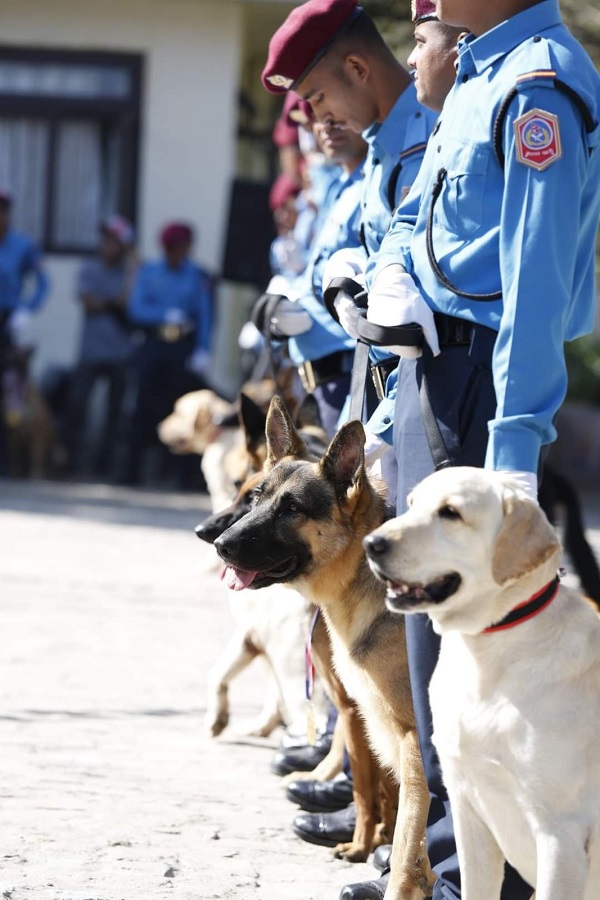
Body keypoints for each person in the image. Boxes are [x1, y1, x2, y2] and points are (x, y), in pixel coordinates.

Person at [352, 1, 600, 899]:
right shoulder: (479, 69)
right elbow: (425, 236)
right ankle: (453, 863)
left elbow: (534, 281)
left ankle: (471, 875)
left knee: (485, 634)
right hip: (435, 364)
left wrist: (517, 441)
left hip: (486, 380)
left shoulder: (535, 80)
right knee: (438, 646)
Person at [259, 0, 438, 874]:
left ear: (360, 71)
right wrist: (324, 292)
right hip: (385, 396)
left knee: (417, 631)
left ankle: (433, 837)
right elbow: (364, 264)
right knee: (364, 613)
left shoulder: (431, 131)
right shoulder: (379, 153)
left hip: (436, 400)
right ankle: (384, 795)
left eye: (321, 100)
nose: (316, 121)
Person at [258, 118, 368, 437]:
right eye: (305, 129)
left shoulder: (358, 183)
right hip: (315, 373)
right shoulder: (330, 189)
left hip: (347, 365)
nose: (315, 134)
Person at [122, 221, 213, 487]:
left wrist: (203, 350)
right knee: (142, 407)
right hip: (154, 343)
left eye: (181, 248)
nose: (177, 252)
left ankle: (182, 476)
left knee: (183, 409)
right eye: (172, 248)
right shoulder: (149, 272)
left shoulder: (197, 276)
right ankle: (131, 473)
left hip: (181, 349)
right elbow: (136, 308)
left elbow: (205, 314)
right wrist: (164, 315)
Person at [64, 215, 136, 479]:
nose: (108, 245)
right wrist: (112, 303)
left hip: (121, 353)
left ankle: (104, 467)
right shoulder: (89, 268)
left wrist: (133, 269)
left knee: (114, 414)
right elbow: (88, 302)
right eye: (105, 240)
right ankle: (70, 462)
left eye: (115, 241)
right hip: (91, 352)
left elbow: (129, 303)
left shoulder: (130, 273)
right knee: (77, 406)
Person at [0, 190, 50, 473]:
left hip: (8, 323)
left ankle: (9, 460)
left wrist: (27, 309)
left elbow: (43, 282)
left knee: (11, 393)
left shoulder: (22, 246)